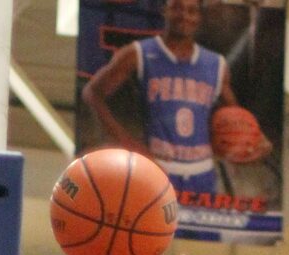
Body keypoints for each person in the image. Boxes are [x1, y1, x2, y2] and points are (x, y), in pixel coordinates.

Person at [81, 0, 267, 204]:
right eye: (177, 7)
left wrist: (255, 138)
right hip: (157, 170)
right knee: (153, 235)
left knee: (200, 237)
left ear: (199, 17)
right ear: (165, 11)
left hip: (202, 175)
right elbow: (92, 93)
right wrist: (126, 141)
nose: (184, 16)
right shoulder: (138, 53)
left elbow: (235, 114)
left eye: (191, 11)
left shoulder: (216, 64)